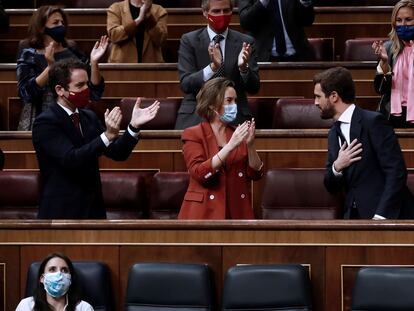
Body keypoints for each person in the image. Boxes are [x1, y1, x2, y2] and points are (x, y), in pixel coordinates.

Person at [32, 59, 160, 219]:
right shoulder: (46, 122)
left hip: (93, 209)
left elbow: (117, 153)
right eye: (79, 86)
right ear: (60, 89)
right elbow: (71, 158)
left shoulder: (88, 117)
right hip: (62, 212)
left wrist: (133, 126)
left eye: (87, 84)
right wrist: (106, 136)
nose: (86, 89)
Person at [314, 66, 414, 219]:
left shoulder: (373, 122)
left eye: (318, 96)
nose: (315, 102)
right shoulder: (334, 133)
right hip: (354, 218)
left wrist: (381, 216)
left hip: (386, 217)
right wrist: (337, 167)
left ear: (333, 96)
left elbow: (396, 172)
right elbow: (331, 186)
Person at [179, 77, 263, 219]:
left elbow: (256, 174)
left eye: (235, 101)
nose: (234, 105)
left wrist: (250, 145)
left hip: (237, 211)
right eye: (229, 100)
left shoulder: (237, 133)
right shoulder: (193, 134)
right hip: (204, 213)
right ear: (212, 105)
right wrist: (230, 146)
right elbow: (199, 173)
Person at [17, 5, 109, 131]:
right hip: (41, 121)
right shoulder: (29, 55)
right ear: (42, 27)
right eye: (56, 23)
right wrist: (50, 67)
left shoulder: (73, 53)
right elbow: (26, 93)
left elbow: (95, 93)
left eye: (62, 22)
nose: (61, 26)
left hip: (75, 120)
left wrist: (94, 62)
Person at [175, 0, 260, 130]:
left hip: (235, 115)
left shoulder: (246, 42)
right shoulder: (189, 41)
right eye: (216, 11)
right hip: (196, 115)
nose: (222, 15)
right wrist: (212, 68)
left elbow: (254, 88)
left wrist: (243, 69)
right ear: (205, 12)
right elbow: (186, 84)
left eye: (226, 11)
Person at [372, 0, 414, 128]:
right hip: (392, 114)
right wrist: (384, 62)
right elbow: (380, 89)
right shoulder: (388, 48)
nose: (403, 24)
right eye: (399, 20)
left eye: (408, 19)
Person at [238, 0, 315, 62]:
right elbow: (245, 22)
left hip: (298, 56)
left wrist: (305, 1)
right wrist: (263, 2)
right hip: (263, 58)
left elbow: (308, 21)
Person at [15, 252, 93, 311]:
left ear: (70, 279)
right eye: (52, 269)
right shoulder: (26, 306)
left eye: (64, 270)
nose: (59, 275)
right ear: (42, 278)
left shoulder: (84, 308)